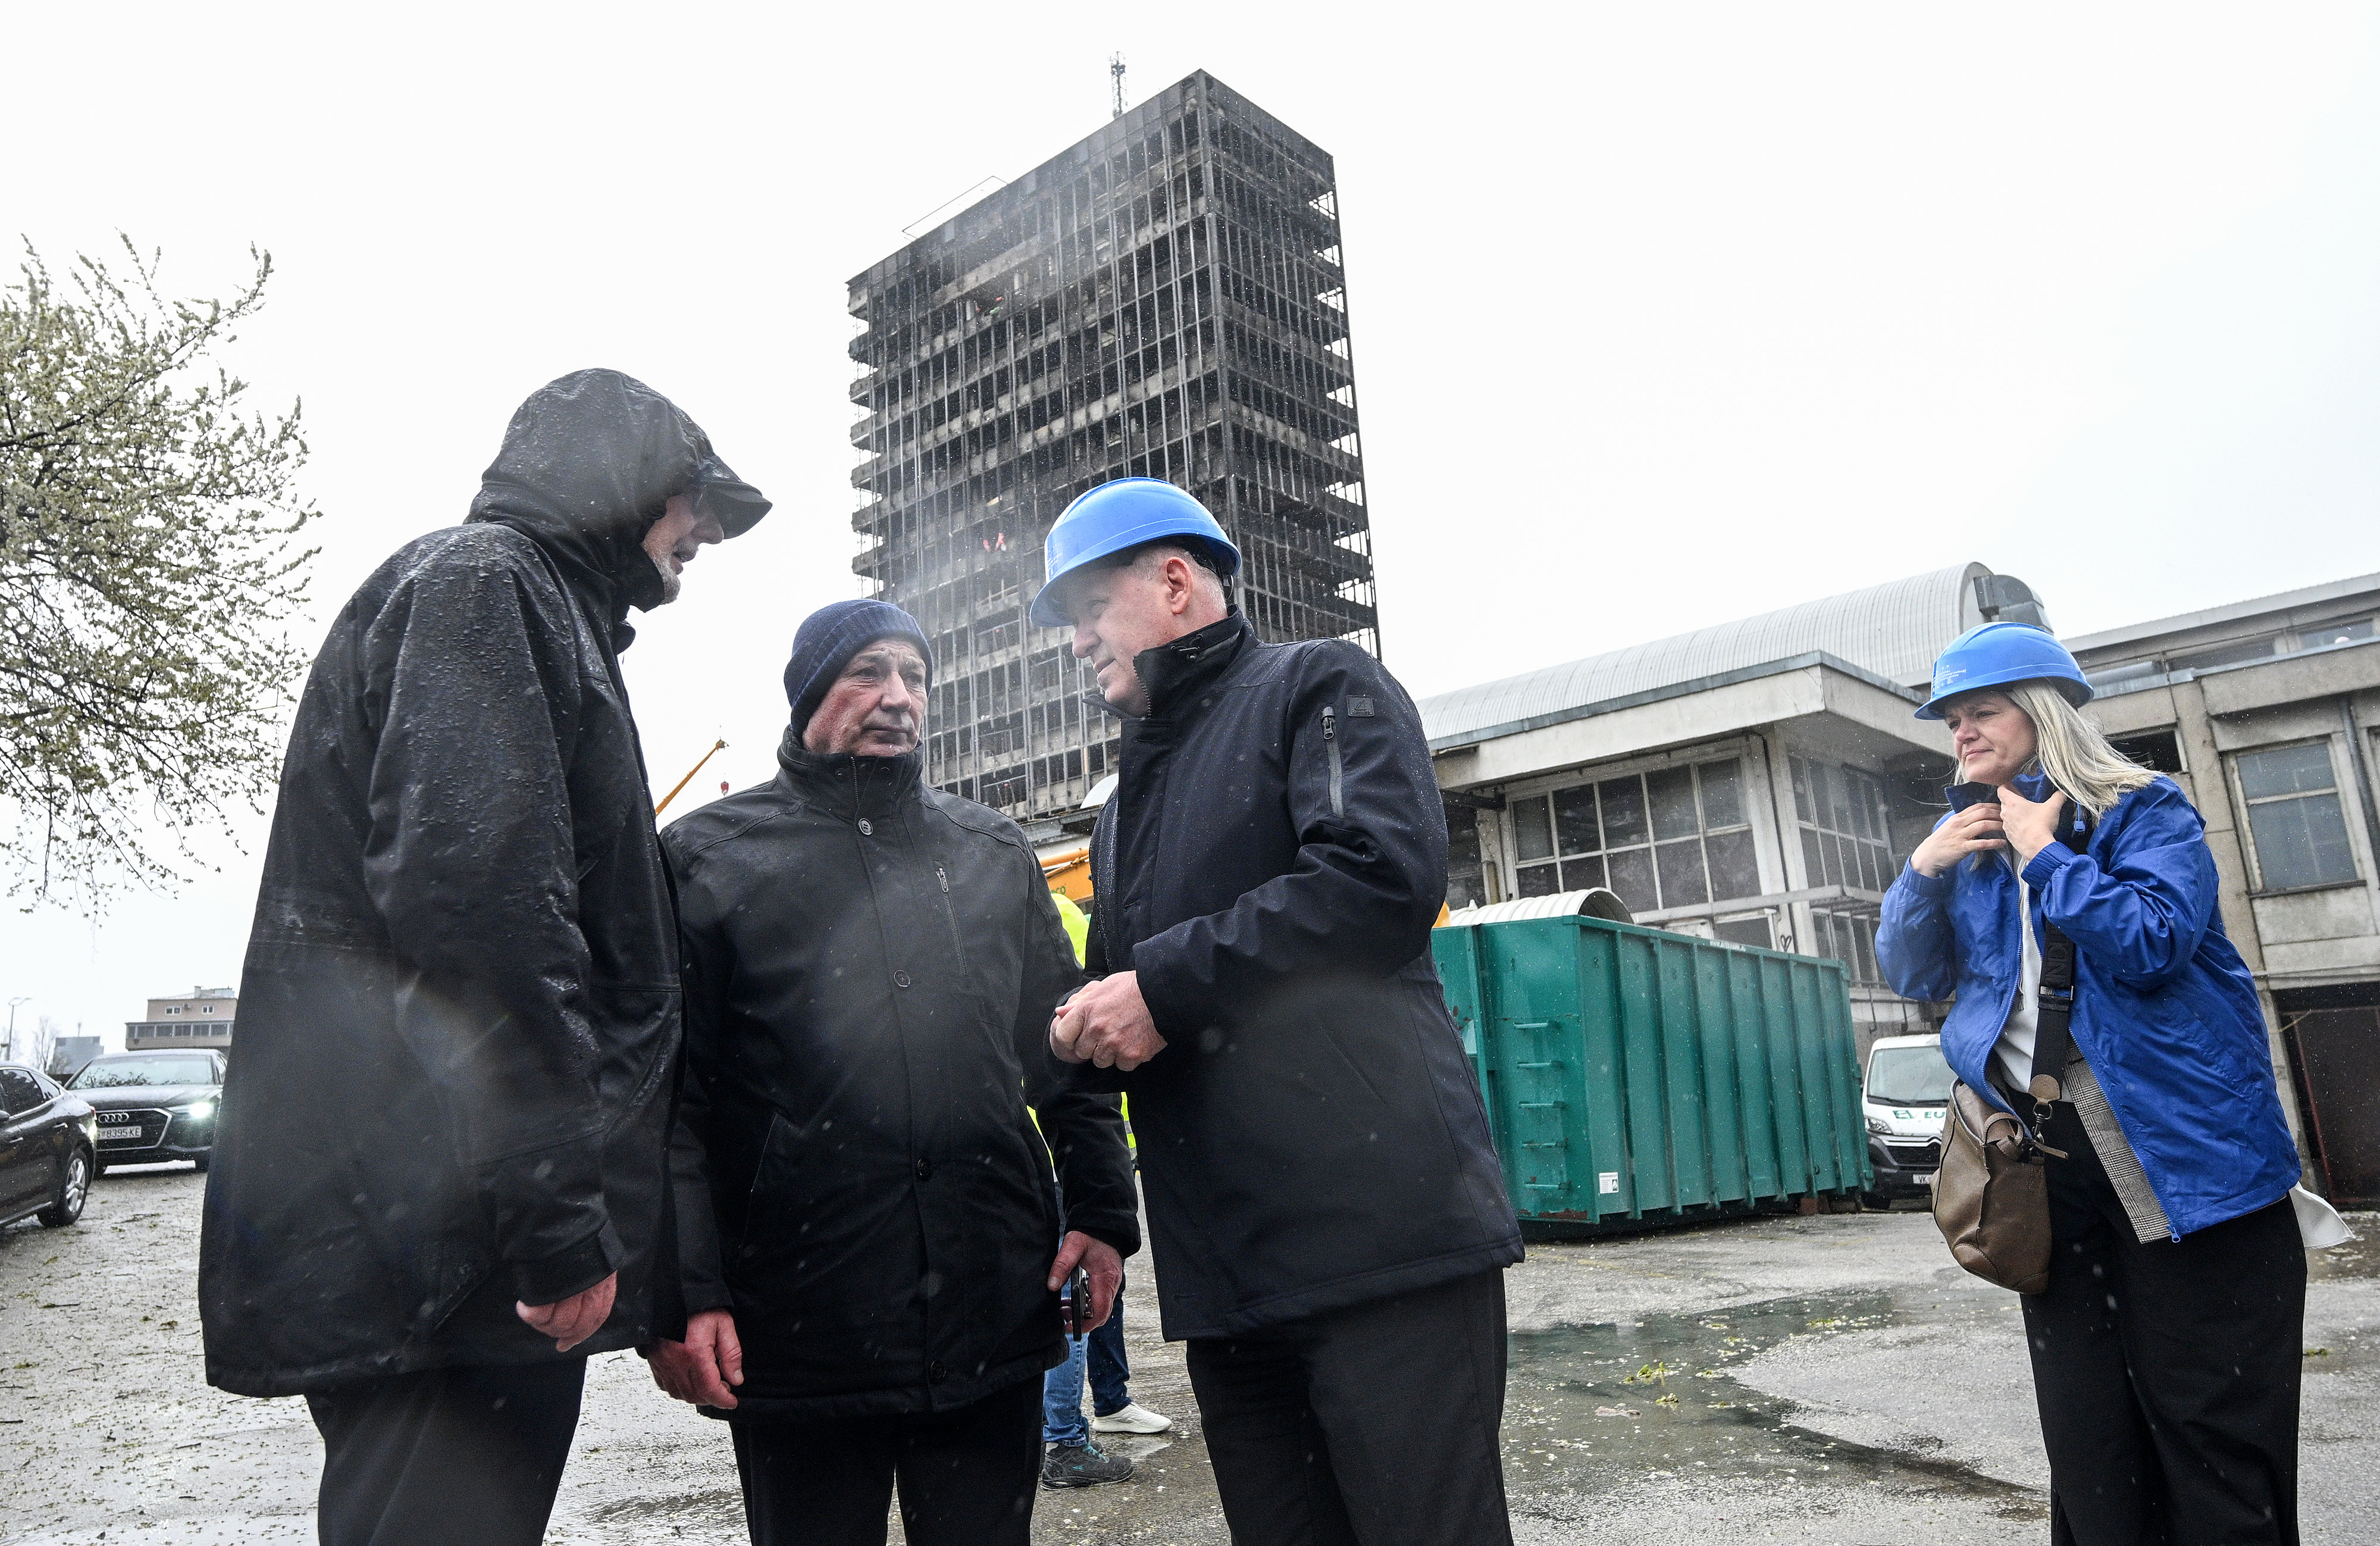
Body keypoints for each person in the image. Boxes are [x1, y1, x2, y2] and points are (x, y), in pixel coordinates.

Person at [198, 369, 770, 1546]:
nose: (704, 531)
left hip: (442, 1243)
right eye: (693, 500)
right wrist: (552, 1223)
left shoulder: (520, 602)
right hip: (447, 1256)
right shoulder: (488, 586)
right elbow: (479, 918)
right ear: (621, 481)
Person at [1035, 479, 1523, 1546]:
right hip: (1229, 1278)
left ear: (1173, 579)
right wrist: (1075, 1029)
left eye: (1085, 607)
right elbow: (1134, 1000)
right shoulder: (1121, 815)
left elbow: (1377, 877)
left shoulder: (1318, 688)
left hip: (1377, 1244)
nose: (1073, 642)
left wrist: (1160, 988)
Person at [645, 600, 1141, 1546]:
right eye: (869, 672)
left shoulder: (990, 852)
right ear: (807, 693)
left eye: (915, 677)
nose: (899, 697)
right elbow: (672, 1103)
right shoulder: (705, 860)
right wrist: (684, 1290)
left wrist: (1102, 1215)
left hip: (991, 1306)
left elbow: (1066, 1054)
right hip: (798, 1332)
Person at [1877, 622, 2312, 1545]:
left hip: (2184, 1152)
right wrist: (1921, 873)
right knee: (2090, 1438)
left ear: (2041, 712)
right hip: (2043, 1161)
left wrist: (2050, 855)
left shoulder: (2146, 808)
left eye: (1980, 711)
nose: (1961, 732)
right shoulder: (1969, 836)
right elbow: (1914, 976)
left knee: (2214, 1424)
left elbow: (2154, 940)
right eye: (1952, 719)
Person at [1040, 892, 1171, 1489]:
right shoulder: (1056, 913)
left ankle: (1103, 1408)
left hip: (1070, 1146)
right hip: (1063, 1151)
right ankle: (1064, 1438)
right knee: (1072, 1303)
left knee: (1087, 1302)